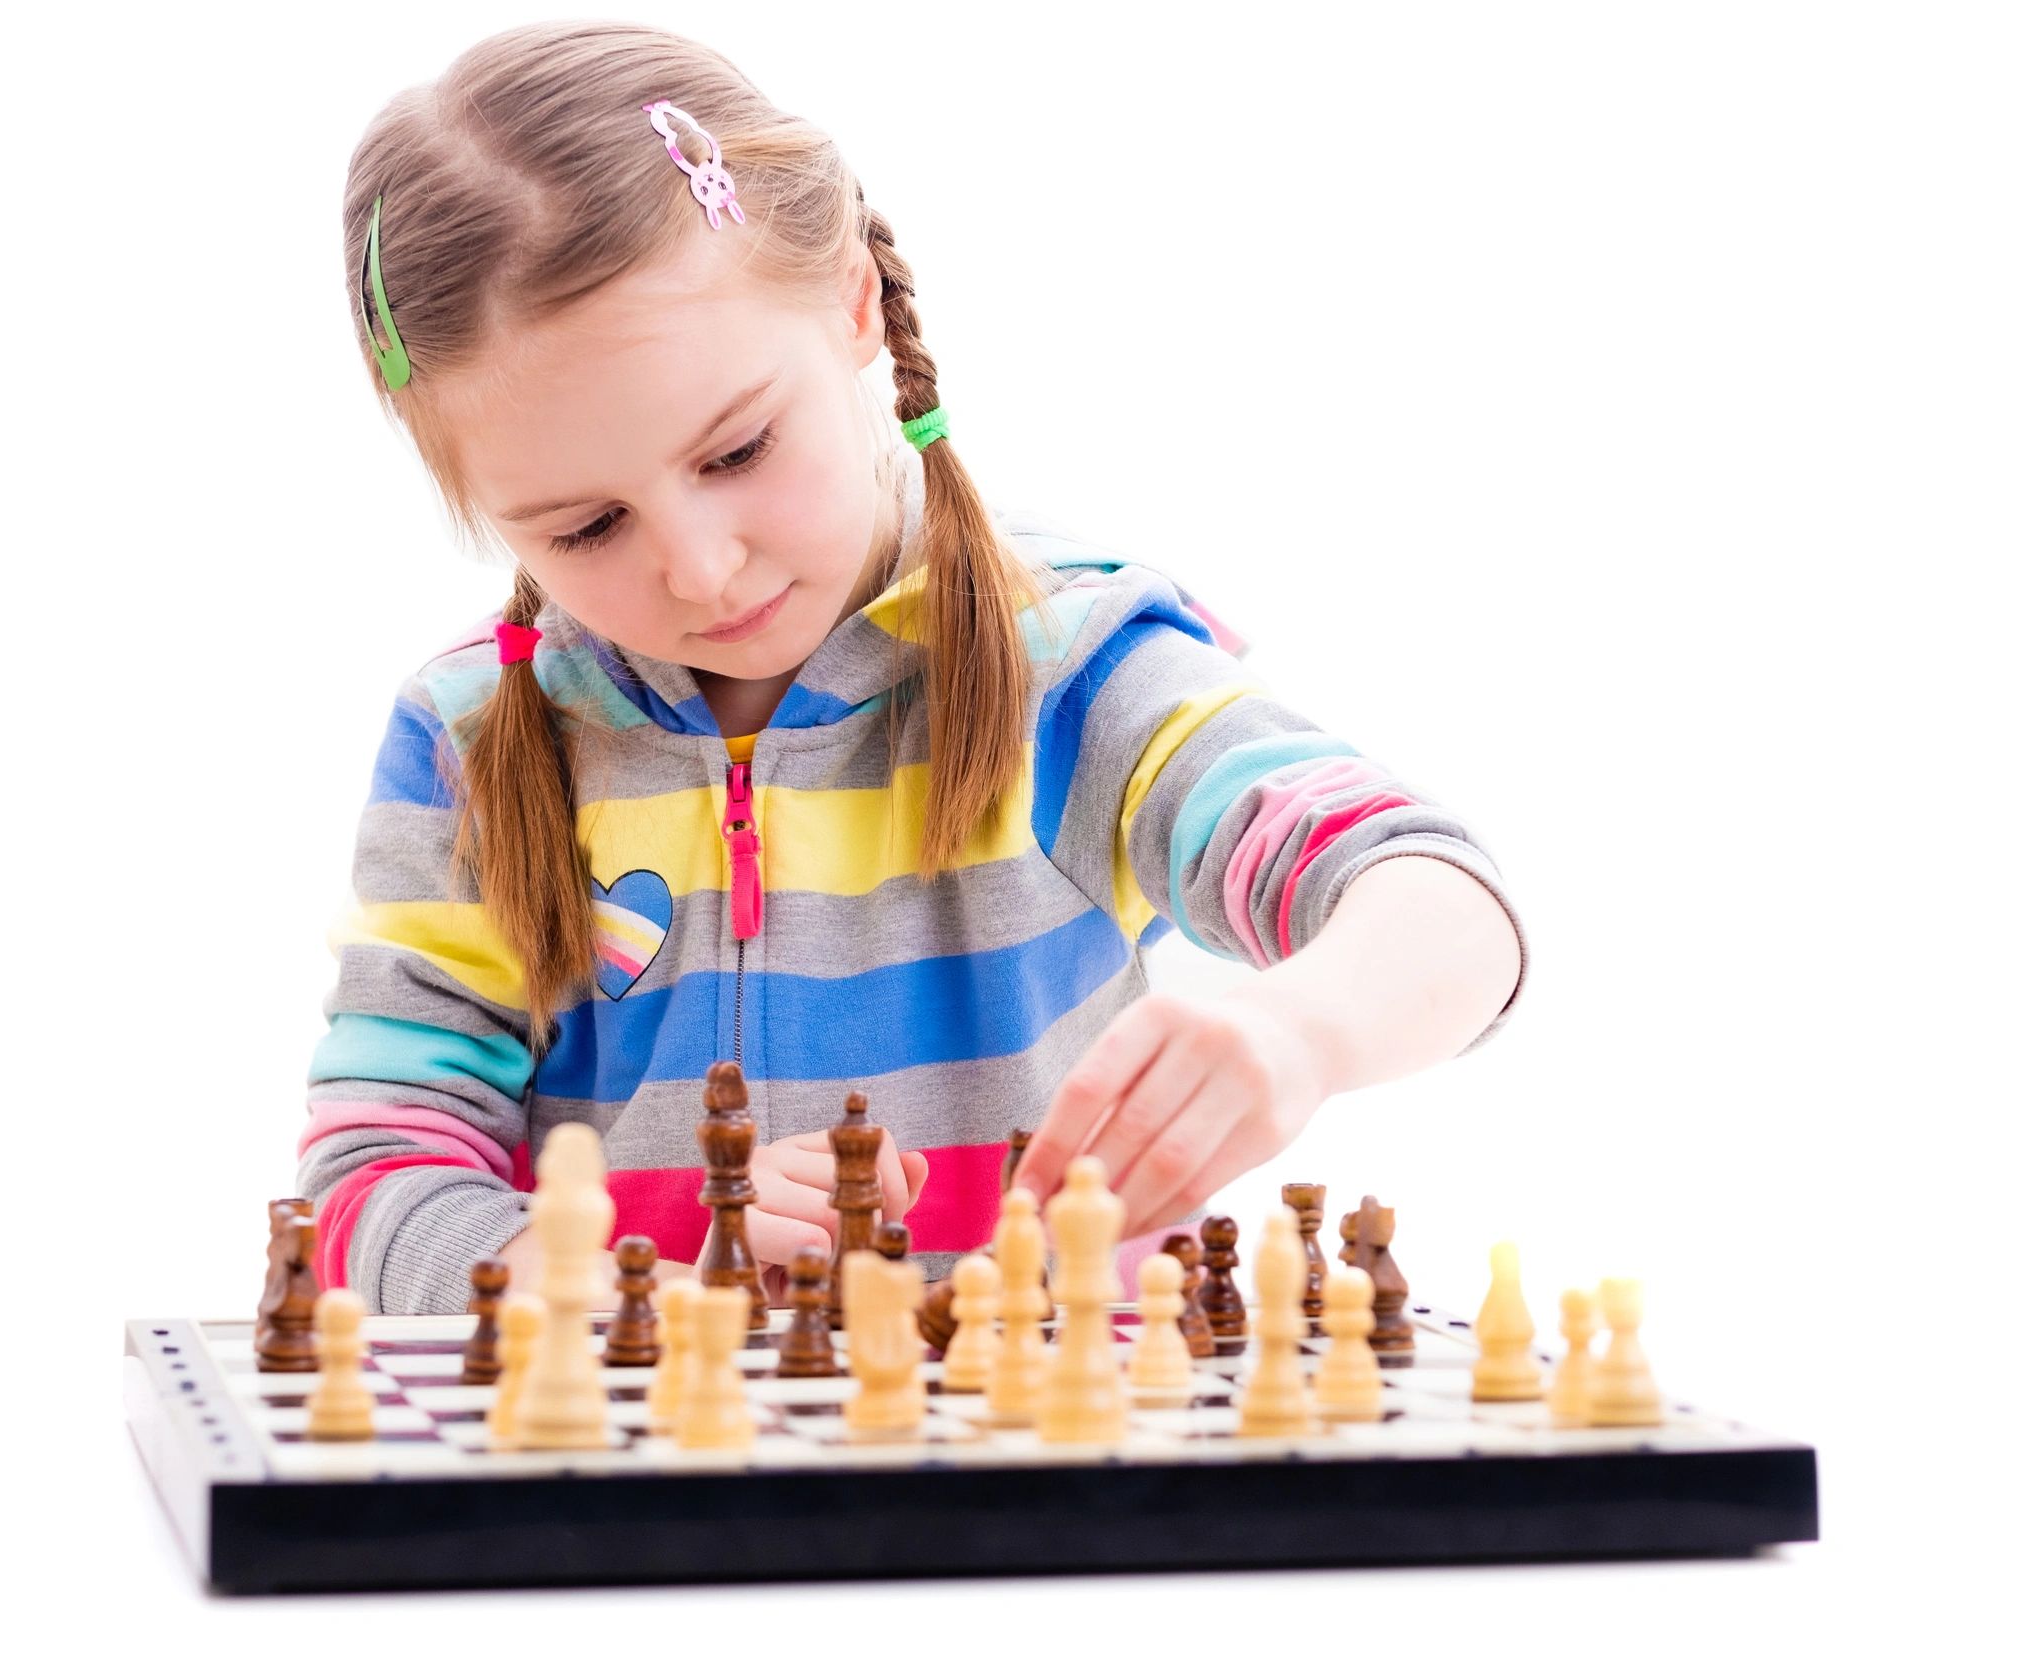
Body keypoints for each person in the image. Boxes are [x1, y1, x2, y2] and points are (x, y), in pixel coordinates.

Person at [299, 20, 1526, 1315]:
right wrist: (613, 1285)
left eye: (737, 451)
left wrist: (1299, 1034)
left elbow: (1441, 903)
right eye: (586, 528)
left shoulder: (1068, 667)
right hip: (636, 1499)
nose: (701, 569)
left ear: (852, 303)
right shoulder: (477, 745)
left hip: (1048, 1473)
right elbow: (376, 1173)